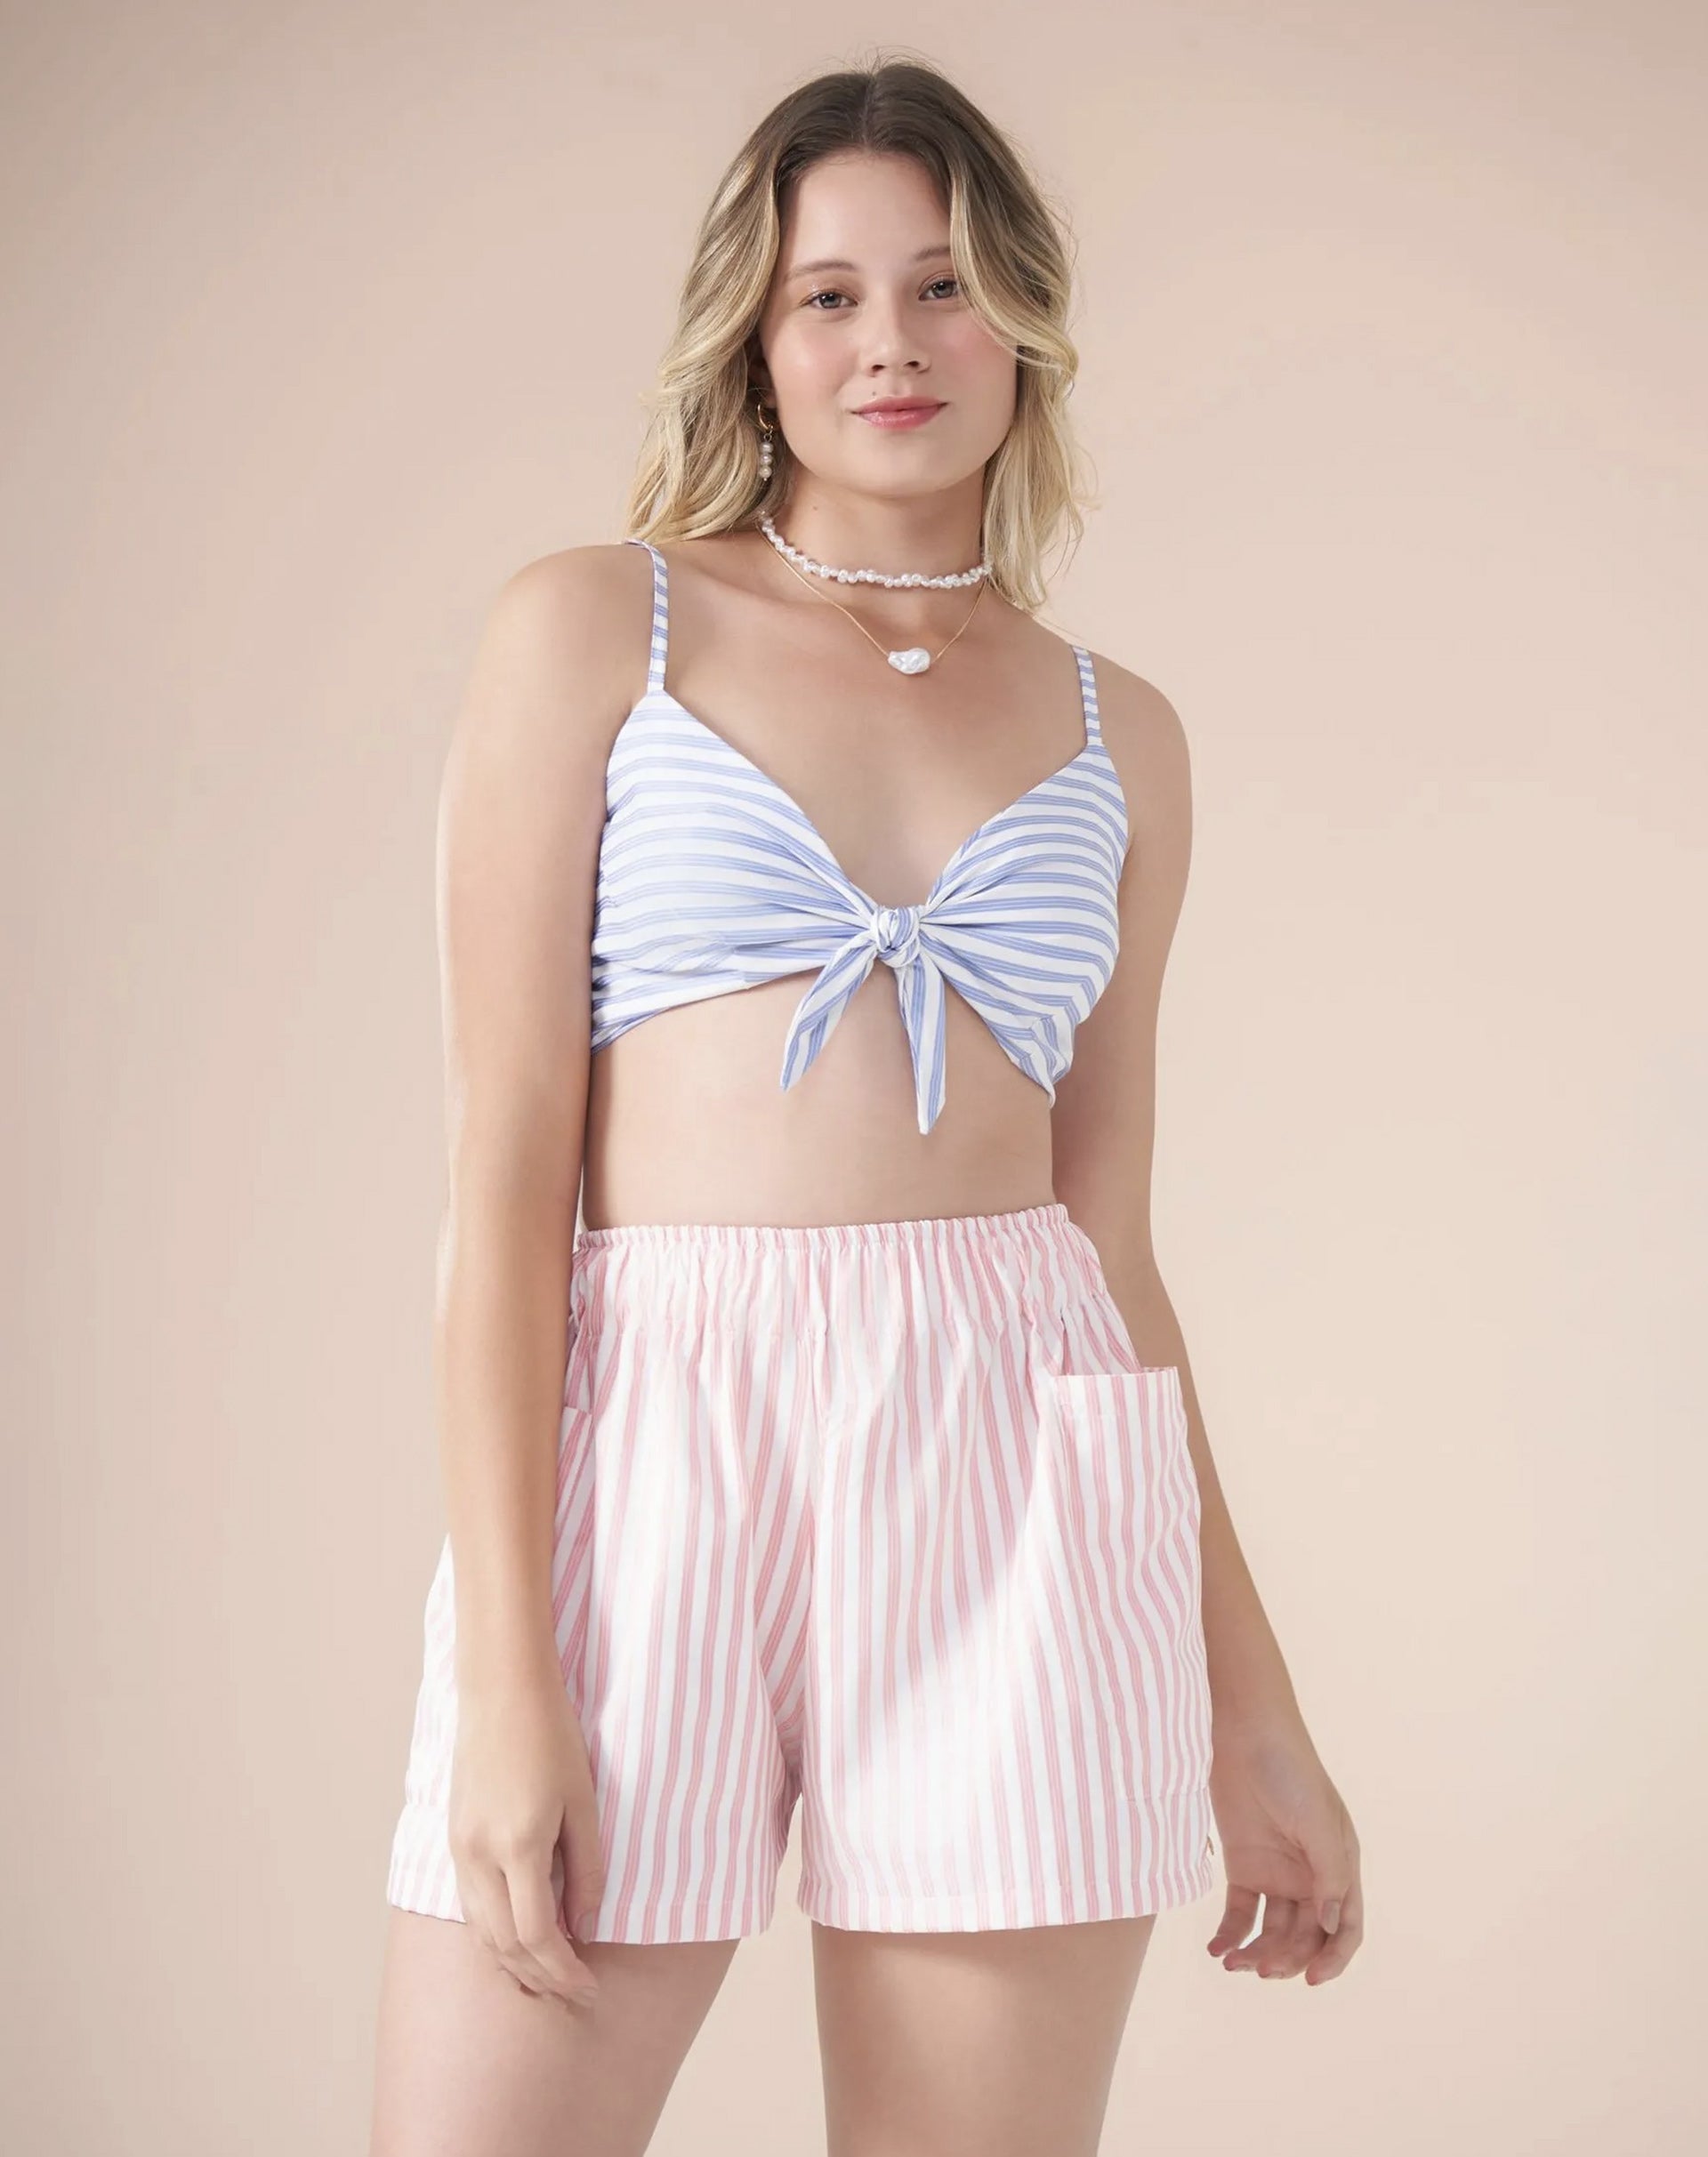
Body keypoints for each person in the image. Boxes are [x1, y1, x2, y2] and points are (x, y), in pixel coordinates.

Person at [368, 54, 1364, 2157]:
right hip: (653, 1455)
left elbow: (1108, 1245)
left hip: (1021, 1484)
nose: (891, 343)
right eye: (829, 296)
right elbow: (506, 1175)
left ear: (1024, 325)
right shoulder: (594, 630)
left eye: (944, 286)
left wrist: (1254, 1709)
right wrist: (511, 1680)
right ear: (756, 335)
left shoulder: (1122, 733)